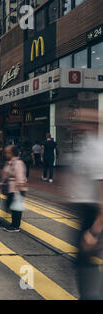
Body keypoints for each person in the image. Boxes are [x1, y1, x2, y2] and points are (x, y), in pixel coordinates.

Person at [67, 108, 103, 299]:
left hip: (93, 216)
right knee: (83, 265)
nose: (74, 123)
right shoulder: (85, 147)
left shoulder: (98, 151)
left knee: (87, 267)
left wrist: (94, 232)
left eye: (79, 120)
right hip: (84, 212)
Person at [1, 145, 27, 232]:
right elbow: (6, 173)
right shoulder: (11, 162)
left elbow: (20, 178)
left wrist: (18, 192)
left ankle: (15, 226)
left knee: (16, 208)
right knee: (12, 207)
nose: (6, 154)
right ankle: (13, 224)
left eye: (7, 152)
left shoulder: (18, 163)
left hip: (16, 189)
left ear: (11, 153)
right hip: (11, 188)